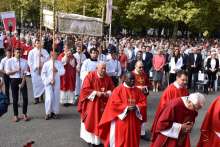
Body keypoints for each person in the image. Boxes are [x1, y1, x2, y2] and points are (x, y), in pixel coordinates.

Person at [98, 72, 147, 147]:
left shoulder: (138, 90)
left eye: (134, 79)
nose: (133, 81)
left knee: (133, 140)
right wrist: (126, 108)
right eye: (130, 79)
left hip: (134, 121)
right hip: (122, 121)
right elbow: (114, 104)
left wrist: (137, 107)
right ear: (125, 79)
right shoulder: (118, 90)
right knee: (121, 140)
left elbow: (143, 103)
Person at [78, 62, 114, 146]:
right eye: (102, 68)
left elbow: (112, 88)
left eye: (105, 68)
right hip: (92, 104)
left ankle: (99, 141)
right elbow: (85, 90)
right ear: (97, 68)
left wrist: (108, 93)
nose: (104, 70)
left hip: (103, 104)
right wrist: (95, 92)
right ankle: (90, 140)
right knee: (92, 120)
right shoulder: (90, 76)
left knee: (102, 121)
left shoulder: (107, 77)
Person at [5, 48, 30, 122]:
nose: (19, 54)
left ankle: (24, 113)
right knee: (15, 99)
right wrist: (16, 70)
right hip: (13, 80)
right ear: (14, 53)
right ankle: (16, 115)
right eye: (17, 52)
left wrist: (22, 82)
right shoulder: (9, 61)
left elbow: (25, 73)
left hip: (22, 79)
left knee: (25, 98)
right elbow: (7, 72)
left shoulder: (25, 61)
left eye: (20, 52)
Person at [41, 50, 65, 120]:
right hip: (48, 83)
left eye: (57, 55)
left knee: (56, 97)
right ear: (51, 55)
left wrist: (57, 70)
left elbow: (63, 71)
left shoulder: (59, 63)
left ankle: (55, 112)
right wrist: (48, 80)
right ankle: (48, 112)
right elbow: (43, 74)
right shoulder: (46, 64)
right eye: (55, 54)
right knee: (49, 97)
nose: (56, 56)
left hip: (57, 82)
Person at [132, 61, 151, 141]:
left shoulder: (144, 74)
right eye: (139, 67)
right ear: (135, 66)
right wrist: (139, 88)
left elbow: (148, 83)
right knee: (134, 115)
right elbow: (126, 85)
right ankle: (134, 132)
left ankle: (142, 133)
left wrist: (145, 88)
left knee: (142, 115)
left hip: (142, 98)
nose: (141, 69)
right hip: (133, 98)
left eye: (142, 67)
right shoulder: (131, 74)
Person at [28, 39, 49, 104]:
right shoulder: (31, 52)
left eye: (39, 43)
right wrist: (35, 67)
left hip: (43, 70)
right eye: (37, 43)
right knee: (36, 84)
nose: (38, 44)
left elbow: (48, 58)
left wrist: (42, 56)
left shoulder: (44, 51)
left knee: (43, 83)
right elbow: (29, 61)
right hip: (35, 71)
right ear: (35, 44)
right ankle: (36, 98)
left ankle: (41, 96)